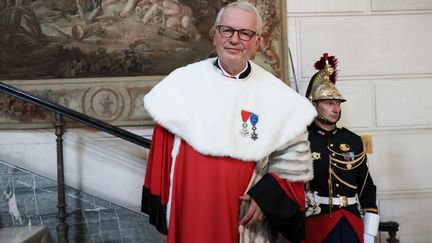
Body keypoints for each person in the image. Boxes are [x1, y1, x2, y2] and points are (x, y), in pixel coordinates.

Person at [140, 2, 317, 242]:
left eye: (245, 33)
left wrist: (267, 198)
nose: (235, 39)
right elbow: (161, 156)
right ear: (215, 35)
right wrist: (164, 221)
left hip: (242, 221)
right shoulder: (181, 84)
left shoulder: (279, 96)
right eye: (227, 30)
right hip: (189, 214)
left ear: (257, 42)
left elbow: (294, 161)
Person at [304, 53, 380, 243]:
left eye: (337, 103)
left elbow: (366, 186)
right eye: (329, 103)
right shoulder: (302, 139)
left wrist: (369, 233)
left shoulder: (353, 140)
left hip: (352, 221)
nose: (336, 109)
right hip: (317, 222)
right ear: (314, 105)